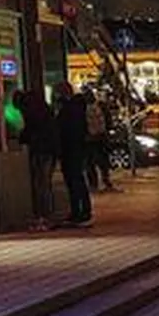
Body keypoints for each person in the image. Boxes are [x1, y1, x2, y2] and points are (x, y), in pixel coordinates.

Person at [18, 81, 58, 227]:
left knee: (42, 184)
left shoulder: (33, 114)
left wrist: (22, 137)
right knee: (45, 183)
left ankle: (44, 215)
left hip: (41, 150)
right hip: (49, 150)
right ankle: (47, 214)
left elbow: (30, 131)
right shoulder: (44, 110)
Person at [56, 84, 94, 224]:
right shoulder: (77, 107)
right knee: (77, 180)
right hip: (76, 148)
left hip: (71, 148)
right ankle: (81, 211)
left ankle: (80, 212)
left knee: (75, 180)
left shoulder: (69, 109)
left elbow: (66, 128)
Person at [85, 87, 114, 189]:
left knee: (90, 163)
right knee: (102, 162)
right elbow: (108, 120)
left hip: (90, 139)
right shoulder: (100, 106)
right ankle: (105, 181)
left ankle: (94, 184)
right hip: (101, 137)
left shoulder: (83, 108)